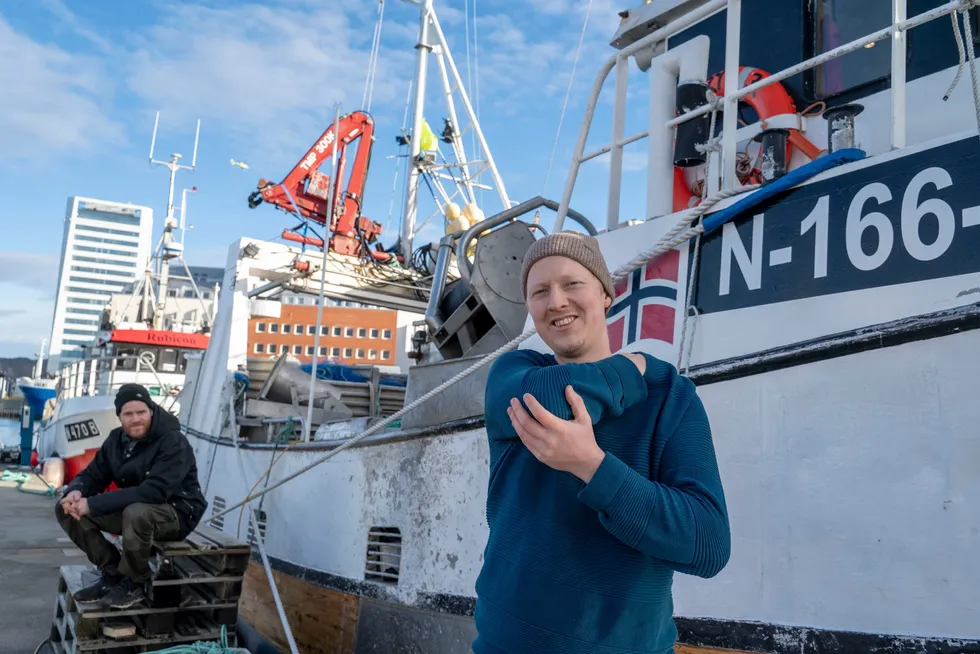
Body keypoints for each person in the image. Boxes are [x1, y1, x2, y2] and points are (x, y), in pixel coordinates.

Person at [473, 232, 731, 654]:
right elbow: (553, 400)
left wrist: (592, 466)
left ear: (607, 294)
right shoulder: (512, 375)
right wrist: (632, 369)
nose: (556, 301)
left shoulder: (670, 399)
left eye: (572, 283)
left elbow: (708, 544)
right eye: (540, 291)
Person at [55, 383, 208, 609]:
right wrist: (76, 490)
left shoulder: (173, 441)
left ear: (151, 411)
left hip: (177, 513)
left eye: (141, 412)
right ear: (119, 417)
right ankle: (112, 573)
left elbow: (154, 492)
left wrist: (93, 504)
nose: (136, 419)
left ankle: (136, 581)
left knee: (136, 513)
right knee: (66, 509)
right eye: (128, 414)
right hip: (137, 510)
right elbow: (94, 473)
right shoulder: (116, 440)